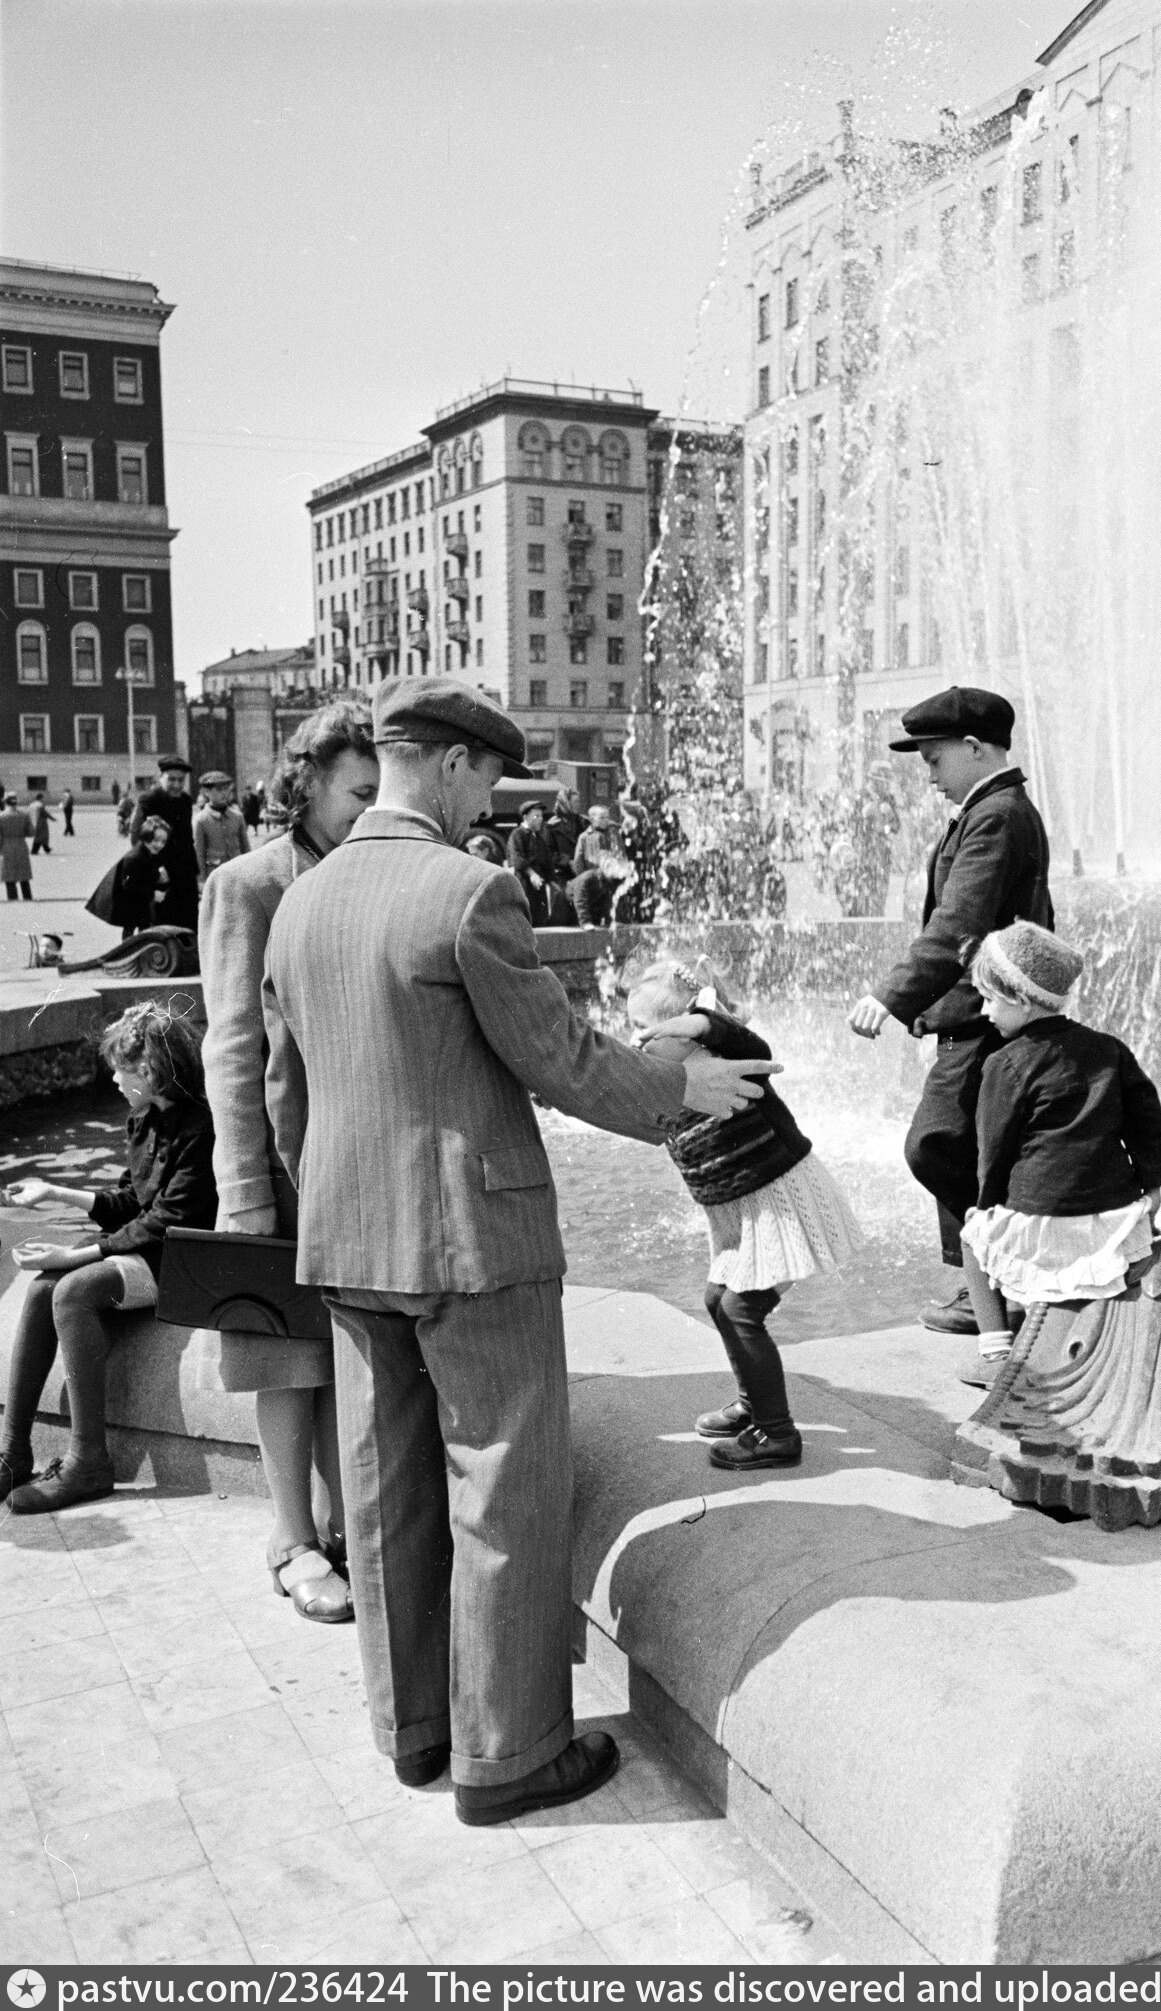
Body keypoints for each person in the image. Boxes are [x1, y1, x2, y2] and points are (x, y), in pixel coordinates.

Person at [261, 677, 780, 1820]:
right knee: (503, 1487)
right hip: (471, 1244)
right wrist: (679, 1082)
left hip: (350, 1241)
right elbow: (559, 1056)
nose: (487, 802)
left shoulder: (300, 899)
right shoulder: (467, 890)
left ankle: (412, 1731)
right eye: (488, 777)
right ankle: (509, 1755)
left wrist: (336, 1205)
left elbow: (282, 1093)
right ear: (449, 765)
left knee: (385, 1490)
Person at [198, 699, 379, 1624]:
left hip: (350, 1161)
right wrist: (242, 1193)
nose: (370, 805)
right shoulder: (247, 882)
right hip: (276, 1166)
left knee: (342, 1355)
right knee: (283, 1357)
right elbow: (230, 1045)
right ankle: (289, 1537)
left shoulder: (364, 871)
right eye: (357, 790)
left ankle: (342, 1524)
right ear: (304, 780)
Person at [847, 687, 1052, 1338]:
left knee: (937, 1145)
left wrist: (891, 995)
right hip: (977, 1011)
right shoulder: (988, 808)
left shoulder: (994, 814)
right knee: (965, 1148)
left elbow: (957, 923)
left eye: (933, 760)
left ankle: (1000, 1280)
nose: (927, 775)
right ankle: (984, 1287)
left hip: (989, 1017)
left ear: (973, 748)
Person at [628, 959, 862, 1469]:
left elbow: (749, 1042)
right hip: (744, 1211)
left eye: (644, 1030)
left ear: (687, 1031)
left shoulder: (729, 1056)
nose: (637, 1042)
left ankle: (777, 1434)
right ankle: (754, 1404)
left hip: (780, 1204)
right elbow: (632, 1112)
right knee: (719, 1301)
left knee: (741, 1310)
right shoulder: (675, 1078)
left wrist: (701, 1022)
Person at [0, 1003, 217, 1512]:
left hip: (181, 1264)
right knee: (41, 1288)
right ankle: (13, 1453)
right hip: (148, 1254)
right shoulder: (143, 1120)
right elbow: (129, 1201)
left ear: (149, 1071)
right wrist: (57, 1191)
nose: (114, 1079)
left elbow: (167, 1221)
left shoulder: (201, 1128)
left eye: (121, 1069)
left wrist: (76, 1256)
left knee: (73, 1289)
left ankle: (88, 1462)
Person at [956, 921, 1161, 1387]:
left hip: (1046, 1214)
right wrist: (1153, 1185)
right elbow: (1147, 1122)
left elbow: (993, 1149)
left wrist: (987, 1203)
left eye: (990, 999)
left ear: (1020, 998)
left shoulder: (1004, 1064)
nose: (984, 1011)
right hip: (1112, 1211)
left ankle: (995, 1353)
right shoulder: (1110, 1050)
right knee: (1126, 1243)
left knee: (973, 1240)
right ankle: (1117, 1300)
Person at [130, 756, 199, 929]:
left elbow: (187, 838)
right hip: (158, 871)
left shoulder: (185, 801)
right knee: (160, 920)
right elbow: (137, 836)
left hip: (183, 871)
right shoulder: (148, 799)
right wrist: (154, 868)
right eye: (171, 779)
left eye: (181, 780)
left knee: (188, 919)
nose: (177, 784)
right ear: (161, 777)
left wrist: (194, 871)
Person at [85, 816, 171, 937]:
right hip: (130, 901)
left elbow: (150, 873)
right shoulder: (134, 857)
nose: (159, 845)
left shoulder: (150, 852)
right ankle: (131, 950)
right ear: (146, 836)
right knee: (132, 929)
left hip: (140, 900)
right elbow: (129, 885)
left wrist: (161, 878)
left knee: (142, 928)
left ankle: (139, 949)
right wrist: (153, 894)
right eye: (155, 840)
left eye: (163, 841)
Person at [193, 770, 250, 888]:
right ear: (206, 792)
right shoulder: (201, 820)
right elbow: (199, 853)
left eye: (226, 789)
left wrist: (250, 871)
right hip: (215, 875)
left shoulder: (237, 817)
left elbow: (246, 848)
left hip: (237, 872)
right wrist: (201, 880)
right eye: (219, 789)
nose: (224, 793)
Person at [506, 800, 554, 926]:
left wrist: (551, 879)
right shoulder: (517, 834)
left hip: (539, 883)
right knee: (526, 915)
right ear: (525, 817)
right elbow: (516, 858)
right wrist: (532, 874)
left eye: (541, 816)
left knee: (539, 917)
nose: (540, 819)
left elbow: (546, 860)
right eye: (536, 816)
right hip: (524, 881)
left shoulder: (539, 838)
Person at [572, 802, 624, 874]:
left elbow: (622, 856)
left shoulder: (614, 835)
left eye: (607, 817)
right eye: (602, 817)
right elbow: (578, 862)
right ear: (592, 819)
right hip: (594, 879)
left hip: (614, 878)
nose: (606, 820)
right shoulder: (584, 837)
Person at [1, 791, 34, 901]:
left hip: (7, 846)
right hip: (21, 844)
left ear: (5, 802)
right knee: (23, 874)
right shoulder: (24, 814)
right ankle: (27, 897)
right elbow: (31, 832)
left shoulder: (1, 816)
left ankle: (12, 898)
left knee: (9, 875)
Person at [546, 786, 585, 873]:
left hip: (581, 870)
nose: (578, 804)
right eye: (575, 802)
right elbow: (548, 853)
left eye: (579, 801)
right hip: (562, 872)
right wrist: (567, 861)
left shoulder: (582, 822)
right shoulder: (552, 826)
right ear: (565, 803)